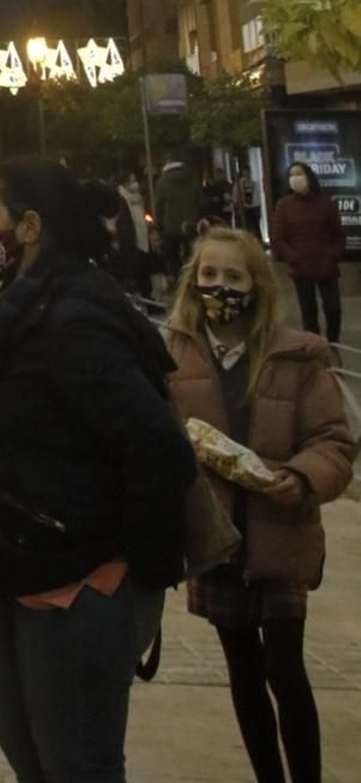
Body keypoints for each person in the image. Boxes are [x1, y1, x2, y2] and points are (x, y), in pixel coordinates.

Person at [0, 157, 196, 783]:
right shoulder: (21, 310)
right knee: (28, 748)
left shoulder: (71, 319)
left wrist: (120, 563)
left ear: (29, 227)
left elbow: (159, 444)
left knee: (76, 762)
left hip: (80, 581)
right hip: (22, 567)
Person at [164, 227, 353, 783]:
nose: (220, 288)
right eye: (209, 276)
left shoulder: (296, 358)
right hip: (217, 539)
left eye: (233, 277)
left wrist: (300, 479)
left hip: (281, 532)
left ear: (257, 287)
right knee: (243, 670)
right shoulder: (171, 355)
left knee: (285, 668)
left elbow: (334, 442)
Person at [270, 160, 344, 344]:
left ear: (309, 177)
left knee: (333, 308)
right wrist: (292, 258)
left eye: (299, 174)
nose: (295, 178)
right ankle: (314, 345)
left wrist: (334, 255)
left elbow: (339, 234)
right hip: (301, 267)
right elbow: (278, 238)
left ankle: (333, 342)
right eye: (292, 175)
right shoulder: (284, 205)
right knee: (308, 311)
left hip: (326, 265)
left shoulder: (326, 204)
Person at [157, 154, 205, 279]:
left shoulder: (163, 180)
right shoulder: (192, 176)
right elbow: (200, 198)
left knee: (172, 253)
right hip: (191, 222)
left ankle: (178, 278)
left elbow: (159, 204)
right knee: (192, 251)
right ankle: (193, 275)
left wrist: (159, 221)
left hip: (171, 223)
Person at [232, 165, 264, 243]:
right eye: (245, 172)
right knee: (246, 226)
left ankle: (259, 241)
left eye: (248, 172)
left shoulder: (255, 184)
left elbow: (258, 196)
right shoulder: (239, 185)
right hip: (244, 208)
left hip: (254, 207)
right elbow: (235, 196)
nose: (247, 174)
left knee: (256, 226)